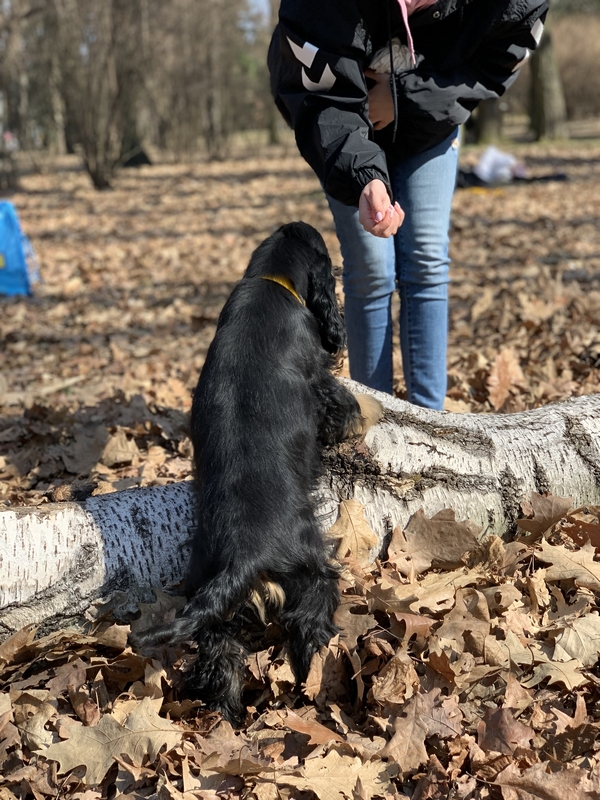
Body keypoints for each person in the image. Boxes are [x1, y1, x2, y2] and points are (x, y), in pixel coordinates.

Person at [268, 0, 548, 409]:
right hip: (343, 116)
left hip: (433, 119)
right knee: (370, 269)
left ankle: (431, 421)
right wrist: (362, 175)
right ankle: (377, 422)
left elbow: (497, 57)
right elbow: (318, 93)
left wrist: (402, 97)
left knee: (428, 258)